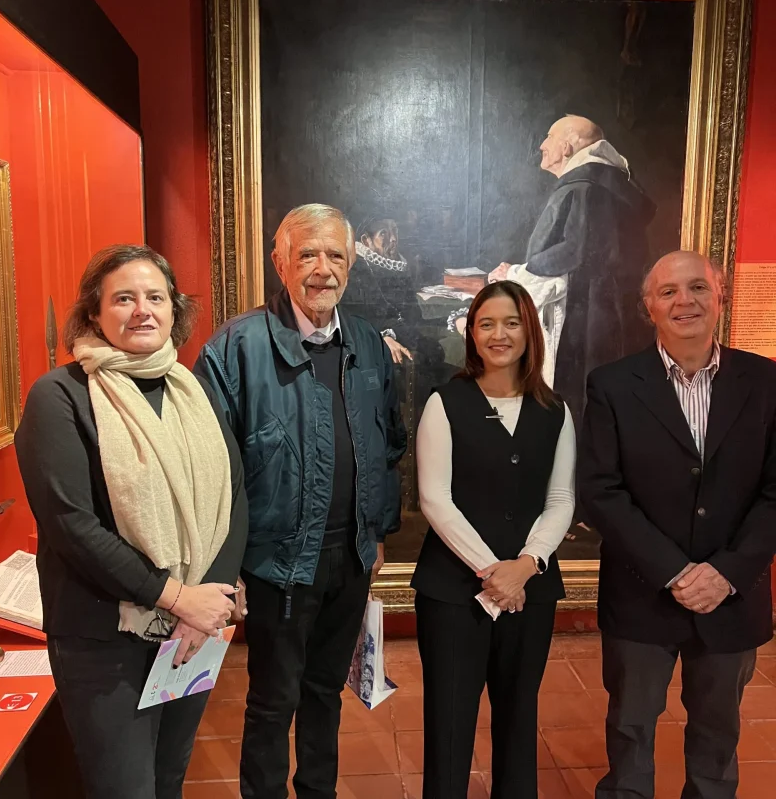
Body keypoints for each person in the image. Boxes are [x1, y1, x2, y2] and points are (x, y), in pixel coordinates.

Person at [14, 244, 248, 799]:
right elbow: (73, 526)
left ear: (174, 311)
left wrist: (204, 601)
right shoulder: (59, 397)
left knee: (169, 778)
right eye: (124, 298)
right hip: (104, 638)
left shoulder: (194, 390)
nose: (142, 309)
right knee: (124, 789)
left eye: (155, 297)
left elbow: (234, 494)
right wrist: (174, 596)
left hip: (192, 632)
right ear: (94, 313)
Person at [194, 203, 406, 799]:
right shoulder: (234, 348)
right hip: (276, 565)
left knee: (324, 693)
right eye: (307, 253)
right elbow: (212, 471)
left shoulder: (366, 340)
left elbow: (389, 442)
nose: (322, 269)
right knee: (272, 700)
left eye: (335, 255)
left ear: (352, 263)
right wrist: (225, 568)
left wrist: (379, 530)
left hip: (353, 558)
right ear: (279, 262)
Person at [579, 250, 776, 799]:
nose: (683, 301)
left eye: (697, 288)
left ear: (721, 297)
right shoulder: (612, 385)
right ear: (649, 306)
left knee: (718, 735)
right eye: (668, 291)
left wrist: (726, 573)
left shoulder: (766, 382)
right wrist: (674, 571)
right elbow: (600, 490)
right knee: (630, 729)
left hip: (732, 595)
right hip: (643, 593)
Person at [411, 280, 576, 798]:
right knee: (450, 721)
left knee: (518, 716)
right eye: (486, 324)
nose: (498, 334)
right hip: (452, 594)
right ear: (471, 332)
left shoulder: (555, 411)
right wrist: (493, 572)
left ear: (530, 329)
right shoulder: (445, 402)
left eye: (511, 322)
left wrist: (525, 565)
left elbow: (562, 500)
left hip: (532, 591)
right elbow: (435, 499)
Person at [489, 114, 655, 428]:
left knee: (579, 408)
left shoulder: (586, 185)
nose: (541, 145)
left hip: (586, 319)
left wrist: (520, 272)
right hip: (609, 315)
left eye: (549, 137)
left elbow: (576, 251)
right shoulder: (607, 184)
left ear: (566, 146)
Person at [340, 215, 417, 364]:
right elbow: (356, 320)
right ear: (365, 241)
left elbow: (413, 315)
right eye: (384, 233)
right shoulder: (356, 270)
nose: (393, 239)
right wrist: (384, 336)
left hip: (405, 337)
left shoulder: (400, 266)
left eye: (395, 231)